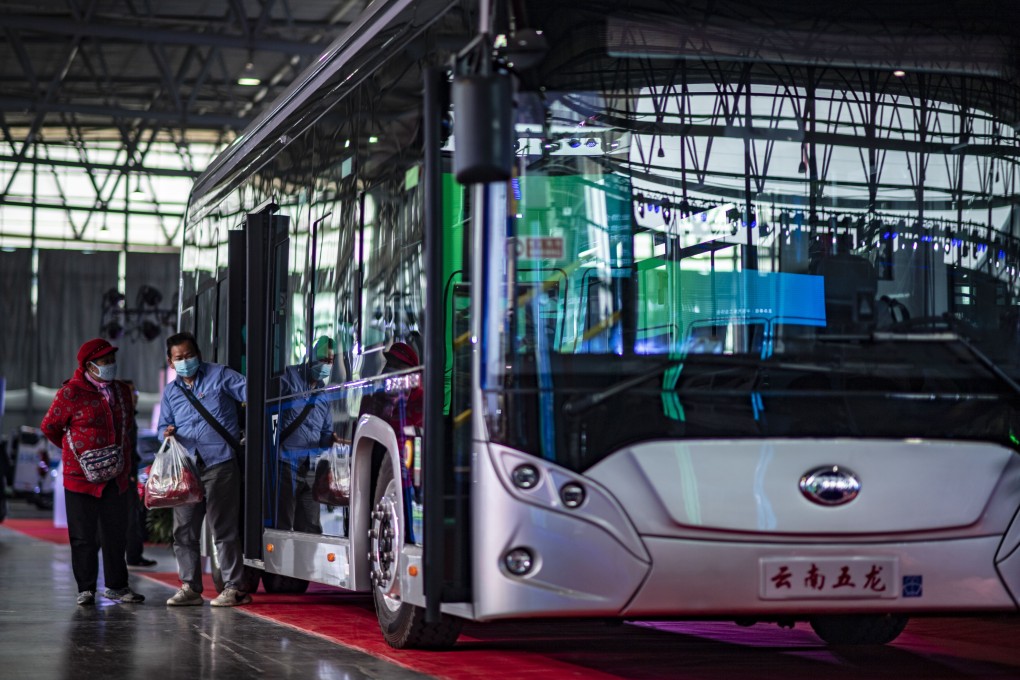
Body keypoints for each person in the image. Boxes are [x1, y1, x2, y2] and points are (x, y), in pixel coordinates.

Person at [40, 338, 145, 606]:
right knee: (83, 535)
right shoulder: (70, 393)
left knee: (115, 533)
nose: (111, 365)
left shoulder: (121, 391)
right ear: (89, 365)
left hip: (116, 475)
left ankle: (117, 587)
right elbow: (50, 426)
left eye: (112, 360)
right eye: (105, 361)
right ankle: (86, 589)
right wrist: (78, 454)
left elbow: (127, 425)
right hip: (80, 478)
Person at [157, 331, 250, 607]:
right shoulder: (171, 392)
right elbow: (162, 425)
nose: (184, 361)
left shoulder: (220, 375)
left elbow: (251, 392)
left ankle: (234, 587)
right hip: (186, 469)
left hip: (220, 463)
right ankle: (190, 587)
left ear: (198, 354)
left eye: (188, 355)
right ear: (170, 362)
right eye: (178, 358)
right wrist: (166, 431)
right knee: (184, 531)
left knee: (223, 528)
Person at [277, 336, 340, 533]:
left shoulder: (323, 393)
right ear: (310, 356)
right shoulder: (288, 378)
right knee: (283, 525)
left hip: (310, 468)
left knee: (311, 529)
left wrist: (331, 440)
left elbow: (325, 433)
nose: (325, 365)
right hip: (286, 465)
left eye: (330, 361)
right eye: (322, 359)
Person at [122, 379, 156, 568]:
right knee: (130, 519)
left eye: (136, 393)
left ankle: (134, 555)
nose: (136, 396)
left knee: (132, 518)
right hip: (126, 476)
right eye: (131, 393)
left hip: (130, 474)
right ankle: (133, 556)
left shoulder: (130, 417)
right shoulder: (123, 418)